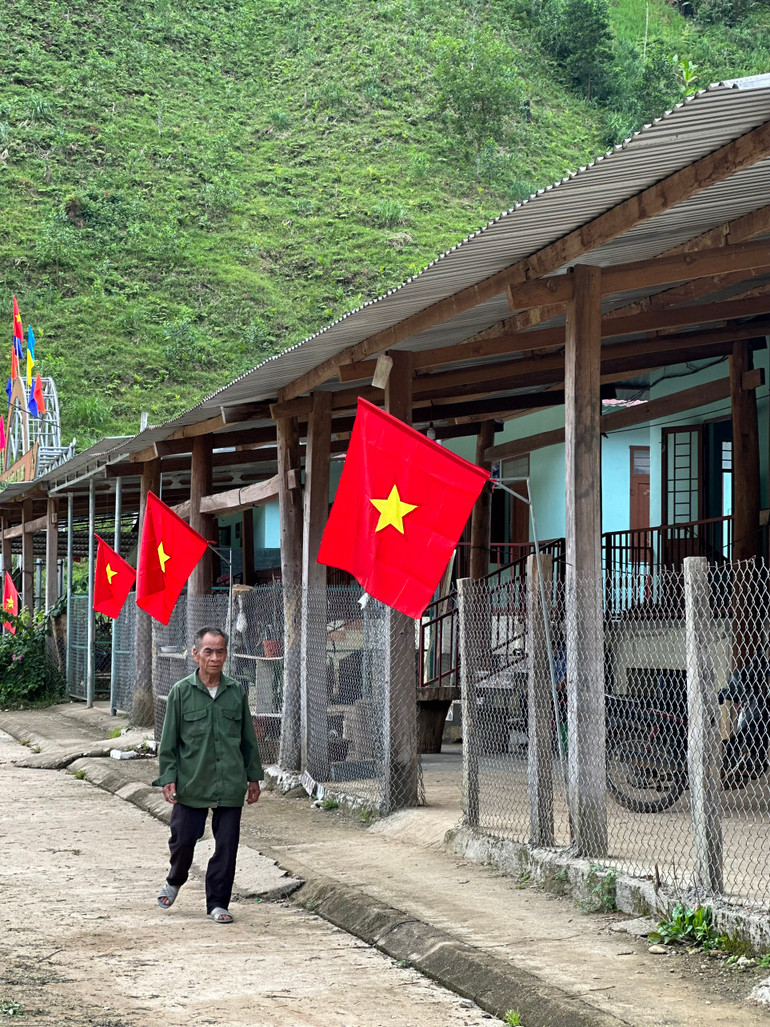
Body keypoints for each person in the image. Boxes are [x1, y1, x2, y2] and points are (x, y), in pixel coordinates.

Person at [153, 626, 263, 924]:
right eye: (208, 651)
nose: (214, 658)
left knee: (226, 846)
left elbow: (248, 739)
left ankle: (217, 903)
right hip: (192, 781)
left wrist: (253, 777)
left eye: (220, 652)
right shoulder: (181, 692)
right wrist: (168, 776)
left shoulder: (235, 691)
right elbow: (169, 741)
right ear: (195, 654)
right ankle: (175, 878)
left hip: (230, 781)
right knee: (183, 839)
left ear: (226, 655)